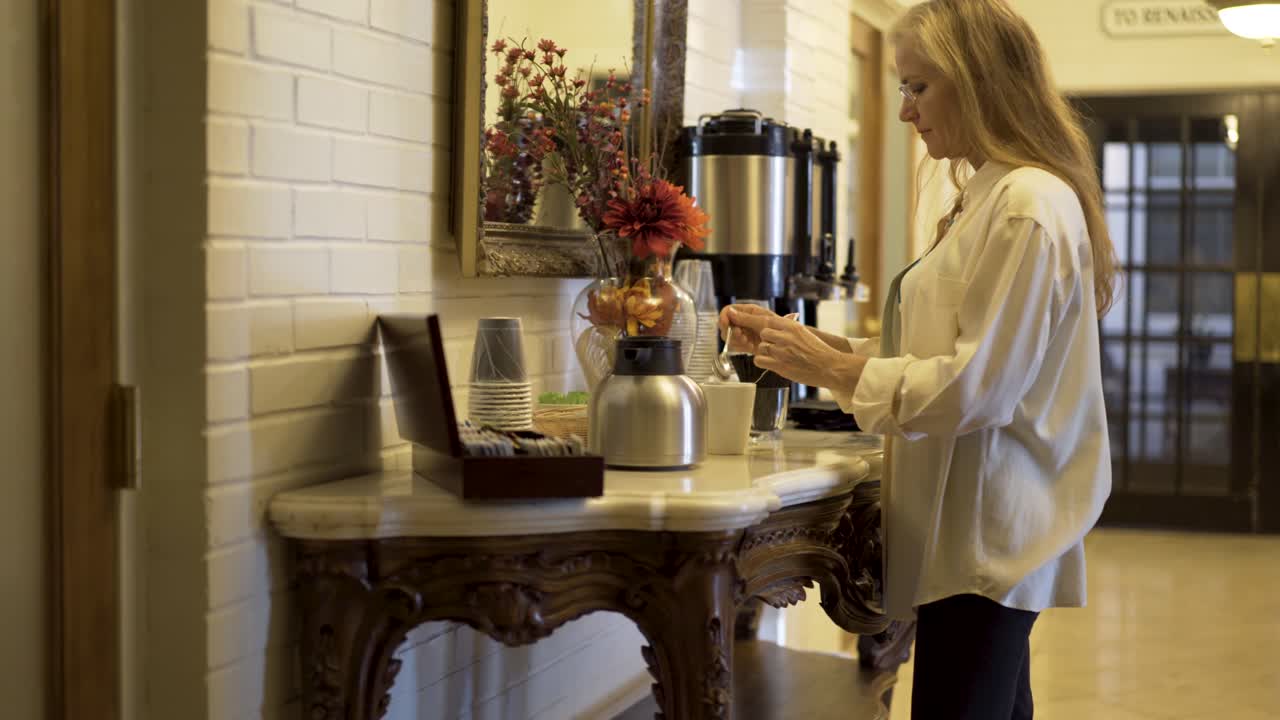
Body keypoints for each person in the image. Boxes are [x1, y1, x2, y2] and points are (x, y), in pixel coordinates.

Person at [719, 1, 1119, 717]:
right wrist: (816, 351)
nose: (904, 110)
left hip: (987, 533)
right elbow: (951, 350)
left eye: (918, 86)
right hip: (973, 531)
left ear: (979, 80)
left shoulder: (1025, 203)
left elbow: (978, 390)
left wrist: (834, 370)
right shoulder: (991, 194)